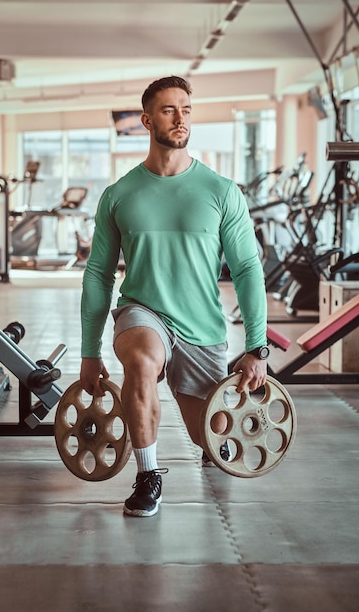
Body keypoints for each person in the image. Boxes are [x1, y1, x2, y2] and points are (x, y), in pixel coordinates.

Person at [80, 75, 268, 517]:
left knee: (216, 439)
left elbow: (246, 268)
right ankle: (148, 476)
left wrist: (257, 347)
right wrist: (90, 352)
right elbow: (98, 273)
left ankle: (207, 443)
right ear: (146, 120)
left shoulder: (221, 191)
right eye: (168, 109)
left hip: (202, 325)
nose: (180, 117)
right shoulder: (119, 195)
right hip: (142, 311)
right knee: (141, 361)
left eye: (186, 108)